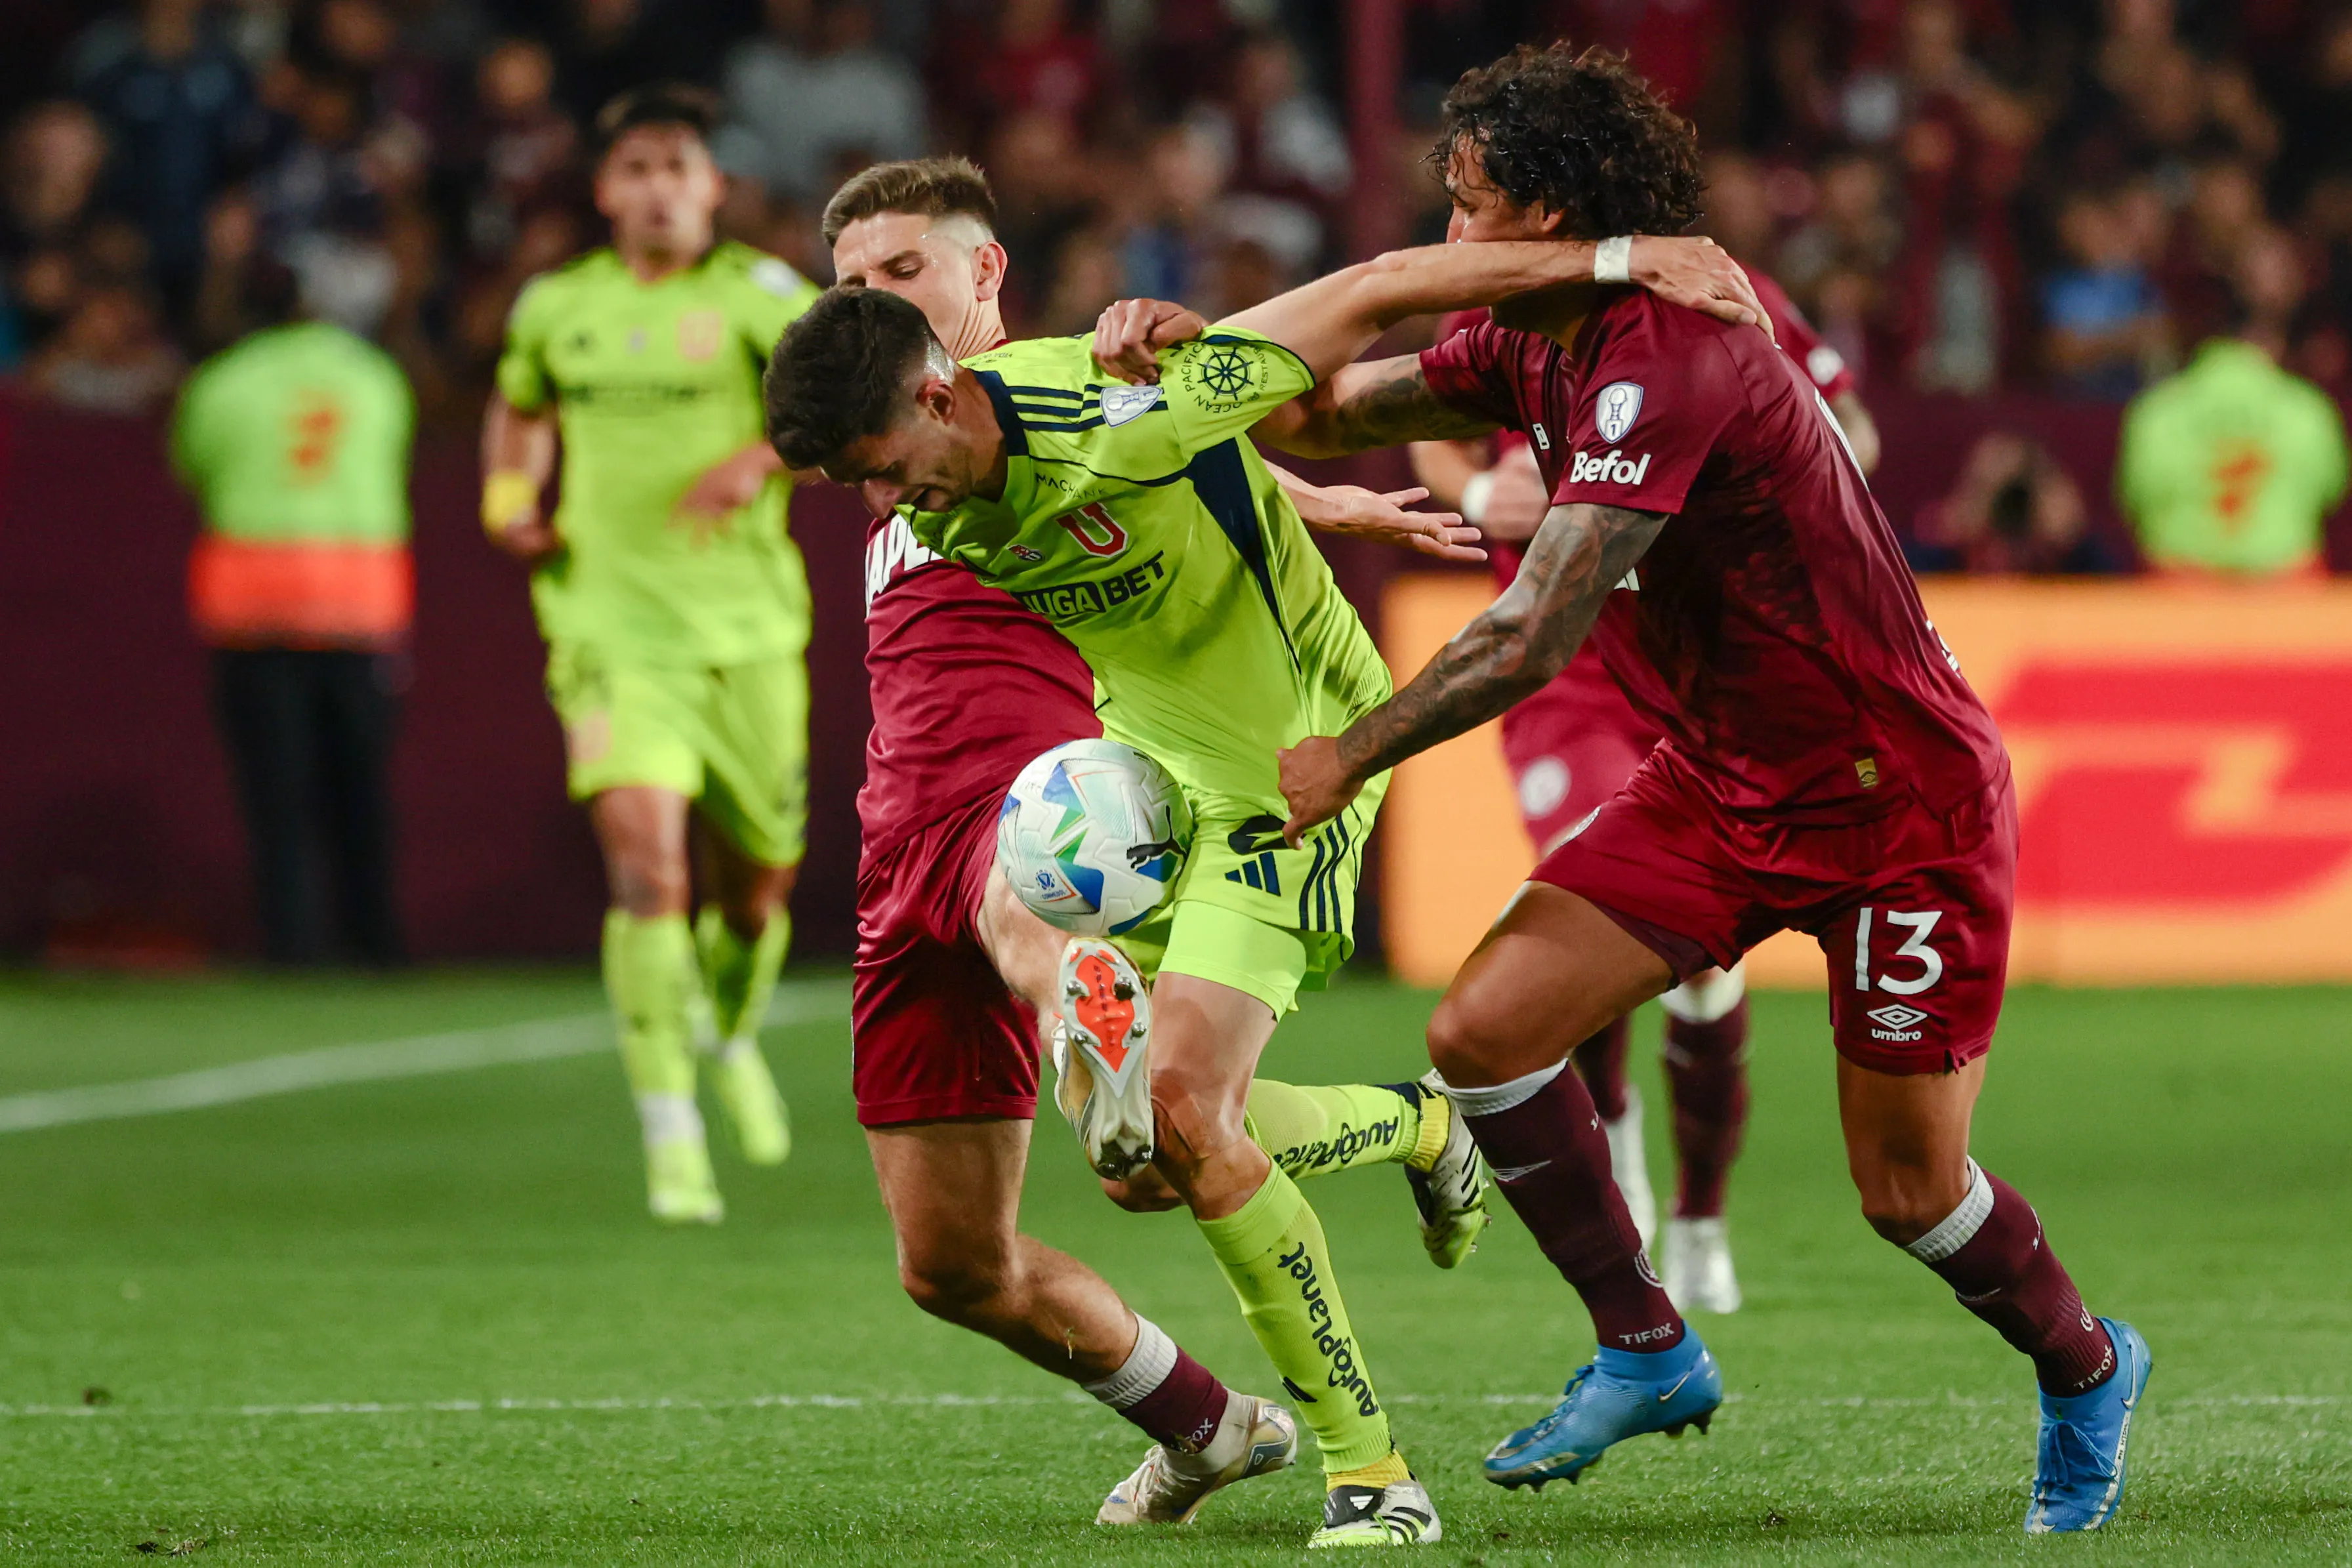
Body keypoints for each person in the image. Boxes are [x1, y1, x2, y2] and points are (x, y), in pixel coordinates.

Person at [766, 214, 1767, 1544]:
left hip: (1300, 766)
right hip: (1158, 785)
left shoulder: (1113, 402)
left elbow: (1372, 286)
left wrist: (1617, 263)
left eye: (884, 467)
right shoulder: (941, 503)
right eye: (854, 486)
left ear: (940, 393)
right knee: (1141, 1165)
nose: (887, 505)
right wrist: (1302, 499)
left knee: (1178, 1109)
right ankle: (1419, 1126)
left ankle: (1374, 1476)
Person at [1262, 43, 2150, 1535]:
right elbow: (1326, 408)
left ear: (1549, 210)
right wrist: (1200, 371)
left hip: (1898, 807)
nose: (1448, 232)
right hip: (1727, 782)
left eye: (1467, 202)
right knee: (1481, 1031)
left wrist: (1349, 754)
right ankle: (1645, 1340)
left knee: (1911, 1194)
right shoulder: (1525, 336)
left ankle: (2085, 1360)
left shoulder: (1668, 354)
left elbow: (1536, 628)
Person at [811, 155, 1534, 1533]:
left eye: (903, 272)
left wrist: (1278, 462)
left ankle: (1372, 1472)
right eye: (851, 284)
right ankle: (1221, 1406)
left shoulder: (1086, 390)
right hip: (889, 845)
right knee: (1004, 1235)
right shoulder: (898, 454)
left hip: (1058, 810)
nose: (877, 301)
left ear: (983, 275)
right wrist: (1313, 497)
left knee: (1092, 990)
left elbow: (1156, 426)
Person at [1401, 270, 1880, 1313]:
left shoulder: (1724, 291)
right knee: (1594, 878)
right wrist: (1482, 495)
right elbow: (1427, 429)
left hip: (1705, 649)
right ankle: (1615, 1143)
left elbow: (1853, 428)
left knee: (1706, 973)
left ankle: (1702, 1215)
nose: (1462, 230)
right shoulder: (1501, 293)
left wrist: (1768, 479)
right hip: (1566, 656)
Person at [481, 86, 811, 1224]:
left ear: (714, 187)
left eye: (682, 165)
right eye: (639, 166)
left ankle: (732, 1028)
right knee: (648, 876)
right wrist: (511, 495)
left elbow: (847, 404)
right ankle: (670, 1130)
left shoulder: (763, 298)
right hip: (610, 629)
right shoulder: (558, 305)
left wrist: (763, 460)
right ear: (606, 189)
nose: (661, 186)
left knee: (758, 890)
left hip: (747, 633)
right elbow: (519, 409)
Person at [171, 257, 413, 966]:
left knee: (279, 794)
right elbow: (393, 457)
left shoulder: (220, 381)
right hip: (360, 606)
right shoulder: (373, 375)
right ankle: (377, 942)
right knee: (362, 788)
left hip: (255, 607)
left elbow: (194, 469)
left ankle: (295, 946)